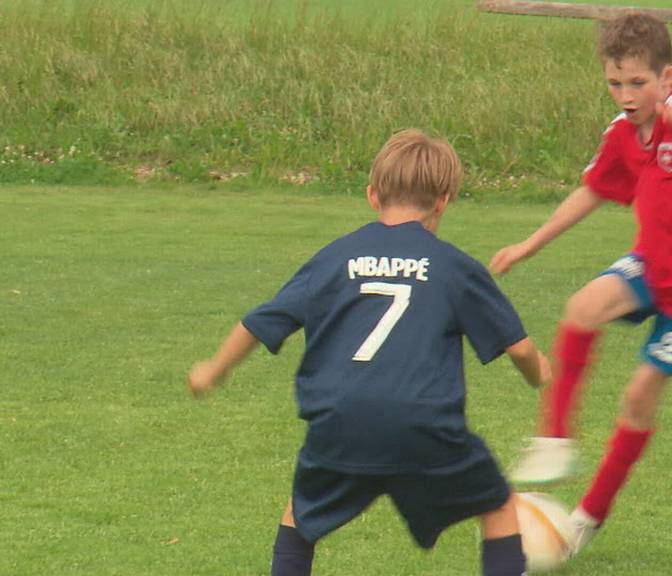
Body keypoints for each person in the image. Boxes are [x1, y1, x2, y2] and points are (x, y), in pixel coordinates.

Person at [188, 129, 550, 575]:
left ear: (373, 196)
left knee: (300, 517)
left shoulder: (334, 259)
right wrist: (540, 373)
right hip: (423, 423)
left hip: (340, 419)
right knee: (497, 507)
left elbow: (258, 323)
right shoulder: (455, 267)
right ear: (443, 200)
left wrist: (214, 369)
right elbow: (519, 349)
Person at [489, 13, 672, 552]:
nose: (626, 95)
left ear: (667, 78)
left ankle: (587, 518)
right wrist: (528, 244)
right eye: (615, 82)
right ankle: (556, 438)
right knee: (582, 307)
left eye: (638, 83)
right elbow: (592, 191)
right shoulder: (623, 135)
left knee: (638, 397)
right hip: (653, 265)